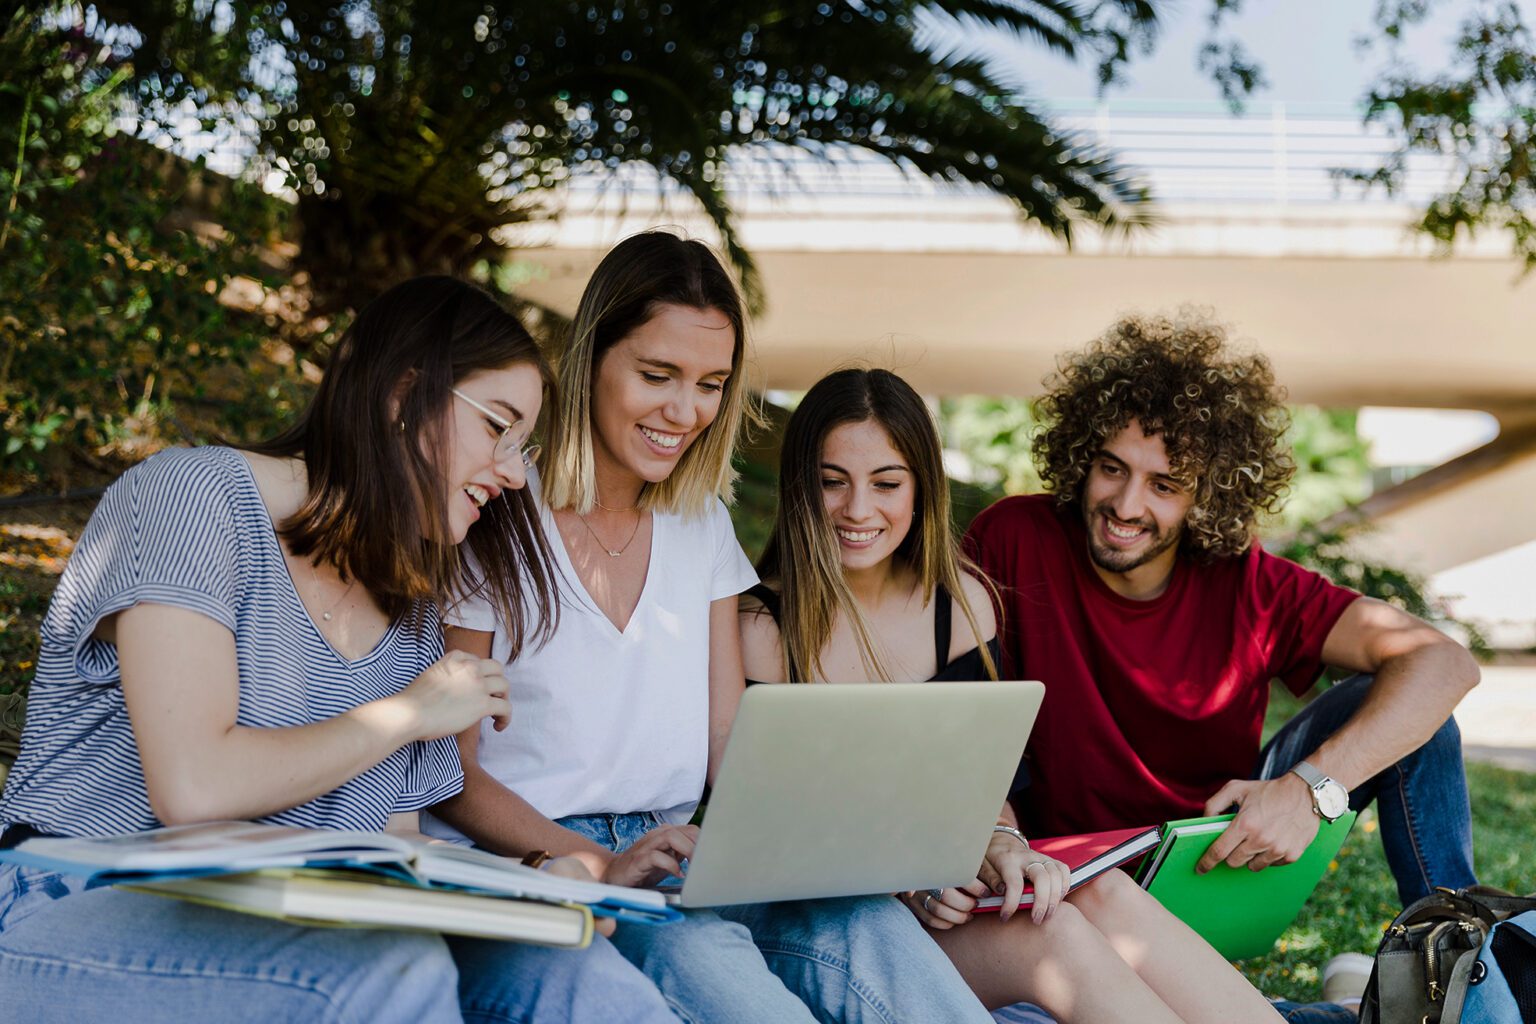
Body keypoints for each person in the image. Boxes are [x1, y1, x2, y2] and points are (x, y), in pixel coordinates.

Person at [0, 277, 677, 1024]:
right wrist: (411, 712)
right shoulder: (193, 497)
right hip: (66, 906)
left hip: (294, 924)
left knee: (574, 976)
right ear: (402, 396)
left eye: (525, 446)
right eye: (498, 428)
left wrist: (538, 876)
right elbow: (193, 788)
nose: (516, 474)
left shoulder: (412, 612)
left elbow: (395, 851)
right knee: (385, 972)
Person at [424, 232, 997, 1023]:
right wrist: (594, 859)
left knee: (869, 926)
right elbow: (449, 773)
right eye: (657, 375)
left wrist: (839, 849)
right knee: (719, 974)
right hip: (544, 860)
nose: (684, 410)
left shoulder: (700, 526)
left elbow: (731, 741)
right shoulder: (495, 514)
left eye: (710, 384)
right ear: (592, 356)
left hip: (684, 853)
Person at [739, 367, 1285, 1024]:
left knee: (1100, 894)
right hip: (825, 922)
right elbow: (771, 831)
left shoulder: (962, 606)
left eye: (886, 484)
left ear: (920, 491)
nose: (858, 509)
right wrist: (910, 881)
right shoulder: (760, 628)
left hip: (937, 904)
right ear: (801, 486)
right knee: (1052, 940)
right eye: (833, 482)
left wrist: (1001, 845)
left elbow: (983, 786)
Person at [964, 311, 1479, 910]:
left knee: (1419, 715)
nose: (1126, 505)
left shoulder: (1251, 584)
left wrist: (1307, 791)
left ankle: (1457, 955)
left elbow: (1445, 663)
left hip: (1207, 868)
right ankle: (1345, 1009)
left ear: (1207, 496)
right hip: (1059, 880)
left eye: (1165, 485)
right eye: (1112, 468)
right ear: (1082, 458)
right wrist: (999, 834)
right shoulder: (1014, 537)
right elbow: (955, 708)